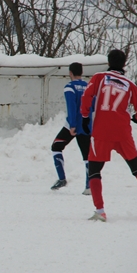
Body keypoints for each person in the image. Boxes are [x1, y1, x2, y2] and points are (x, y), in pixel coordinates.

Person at [81, 49, 137, 221]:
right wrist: (136, 118)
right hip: (122, 132)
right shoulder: (129, 84)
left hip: (101, 131)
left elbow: (87, 96)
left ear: (108, 62)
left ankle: (100, 211)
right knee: (136, 168)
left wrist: (85, 116)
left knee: (94, 170)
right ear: (124, 64)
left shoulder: (99, 78)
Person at [50, 62, 90, 195]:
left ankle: (62, 179)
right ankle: (89, 186)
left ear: (70, 73)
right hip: (86, 124)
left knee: (56, 146)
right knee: (87, 155)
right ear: (81, 73)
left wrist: (73, 125)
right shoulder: (89, 87)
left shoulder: (69, 87)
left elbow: (72, 107)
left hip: (73, 125)